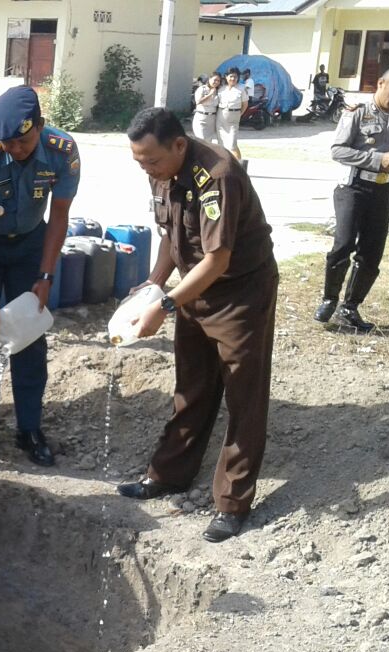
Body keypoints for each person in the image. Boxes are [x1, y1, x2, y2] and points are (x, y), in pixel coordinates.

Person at [119, 107, 279, 543]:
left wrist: (166, 306)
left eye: (151, 161)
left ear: (179, 145)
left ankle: (231, 504)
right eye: (139, 162)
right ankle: (168, 475)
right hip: (193, 288)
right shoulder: (161, 171)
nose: (146, 169)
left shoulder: (218, 174)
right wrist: (153, 285)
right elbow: (172, 235)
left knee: (243, 396)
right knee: (191, 387)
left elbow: (218, 258)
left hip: (239, 292)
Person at [0, 86, 79, 466]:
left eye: (23, 142)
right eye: (7, 144)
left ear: (40, 126)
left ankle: (29, 428)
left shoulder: (63, 151)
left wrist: (46, 274)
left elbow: (59, 217)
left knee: (29, 336)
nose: (15, 150)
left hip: (29, 243)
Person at [315, 67, 389, 333]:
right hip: (354, 188)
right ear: (381, 83)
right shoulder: (358, 111)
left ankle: (350, 308)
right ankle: (329, 299)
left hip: (382, 192)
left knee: (372, 254)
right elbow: (338, 150)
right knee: (343, 244)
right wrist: (376, 160)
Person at [216, 67, 248, 160]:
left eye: (235, 77)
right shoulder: (221, 88)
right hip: (221, 117)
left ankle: (239, 166)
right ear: (226, 77)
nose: (233, 79)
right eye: (231, 76)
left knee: (232, 144)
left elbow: (245, 104)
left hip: (234, 117)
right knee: (221, 143)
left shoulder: (241, 88)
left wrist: (239, 114)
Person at [192, 72, 221, 144]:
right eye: (215, 80)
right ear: (210, 79)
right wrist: (210, 94)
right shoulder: (202, 89)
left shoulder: (218, 91)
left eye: (218, 81)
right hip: (201, 118)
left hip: (211, 119)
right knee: (201, 141)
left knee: (208, 142)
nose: (216, 82)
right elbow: (198, 101)